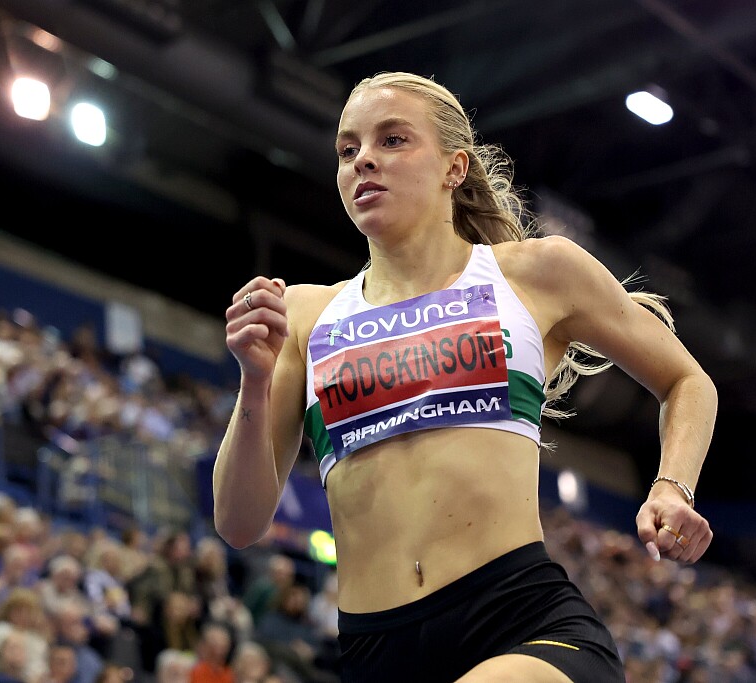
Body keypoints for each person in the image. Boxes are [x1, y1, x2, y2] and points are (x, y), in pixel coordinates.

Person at [212, 71, 718, 683]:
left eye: (392, 139)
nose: (363, 159)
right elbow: (238, 524)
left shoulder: (535, 274)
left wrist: (672, 487)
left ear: (454, 168)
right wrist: (255, 381)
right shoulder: (303, 316)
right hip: (376, 651)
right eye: (348, 150)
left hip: (521, 620)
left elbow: (688, 381)